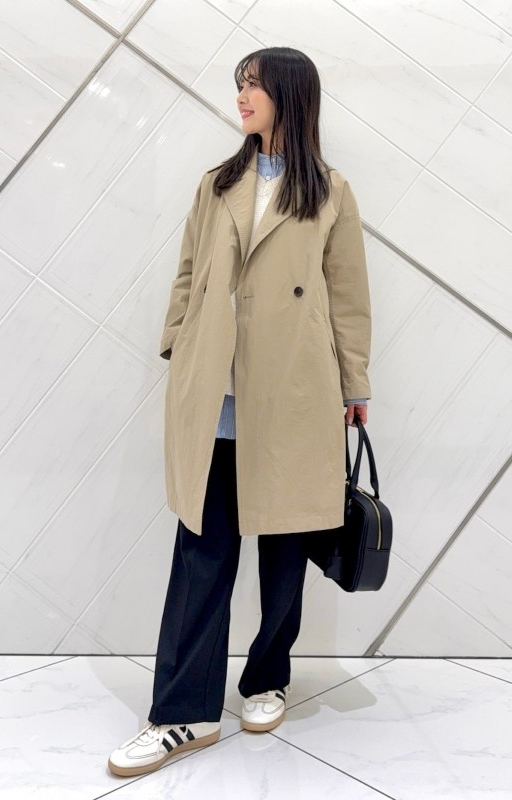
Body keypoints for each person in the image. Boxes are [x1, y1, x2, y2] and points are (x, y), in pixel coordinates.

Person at [107, 46, 371, 778]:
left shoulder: (331, 192)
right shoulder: (217, 183)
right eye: (240, 85)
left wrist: (356, 386)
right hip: (216, 393)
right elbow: (189, 270)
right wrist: (179, 341)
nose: (242, 96)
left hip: (292, 390)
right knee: (202, 550)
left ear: (290, 93)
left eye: (254, 84)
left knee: (284, 549)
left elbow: (348, 296)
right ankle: (183, 712)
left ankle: (267, 678)